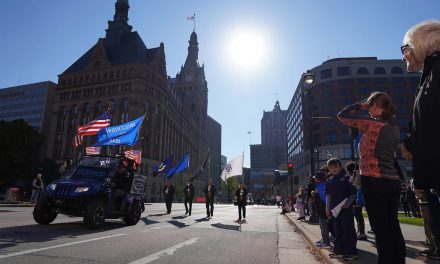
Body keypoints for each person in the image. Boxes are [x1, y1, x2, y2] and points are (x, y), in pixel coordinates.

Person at [338, 92, 405, 263]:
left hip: (374, 180)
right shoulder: (393, 126)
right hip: (392, 181)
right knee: (392, 226)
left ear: (375, 105)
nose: (367, 109)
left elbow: (342, 115)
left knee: (381, 228)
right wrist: (369, 105)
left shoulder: (372, 125)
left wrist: (360, 105)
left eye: (370, 105)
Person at [401, 20, 440, 260]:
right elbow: (422, 119)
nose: (404, 54)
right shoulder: (429, 75)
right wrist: (410, 142)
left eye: (405, 48)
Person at [325, 158, 358, 261]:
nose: (333, 169)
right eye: (331, 167)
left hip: (345, 210)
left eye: (335, 167)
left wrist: (347, 204)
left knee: (348, 231)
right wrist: (327, 208)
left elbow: (353, 194)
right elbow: (328, 196)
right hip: (335, 211)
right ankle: (339, 251)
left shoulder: (346, 179)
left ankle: (350, 252)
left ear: (340, 167)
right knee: (337, 231)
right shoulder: (329, 180)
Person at [346, 161, 367, 241]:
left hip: (356, 198)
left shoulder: (355, 175)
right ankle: (360, 231)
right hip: (357, 197)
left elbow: (354, 184)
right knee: (358, 215)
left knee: (358, 216)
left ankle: (361, 232)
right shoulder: (358, 174)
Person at [313, 170, 331, 249]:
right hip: (322, 209)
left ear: (317, 178)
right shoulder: (322, 185)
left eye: (315, 178)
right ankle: (324, 240)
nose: (315, 179)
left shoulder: (321, 186)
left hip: (323, 209)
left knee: (324, 226)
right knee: (323, 226)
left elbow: (324, 199)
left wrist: (327, 208)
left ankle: (326, 242)